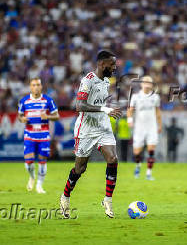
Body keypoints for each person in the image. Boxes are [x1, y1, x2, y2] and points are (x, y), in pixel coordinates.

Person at [59, 50, 122, 219]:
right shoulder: (88, 81)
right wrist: (104, 108)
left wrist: (106, 109)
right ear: (102, 64)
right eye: (112, 64)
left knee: (113, 159)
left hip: (102, 126)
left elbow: (99, 102)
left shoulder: (107, 80)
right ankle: (65, 196)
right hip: (85, 129)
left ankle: (107, 199)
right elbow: (79, 106)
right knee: (80, 169)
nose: (115, 67)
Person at [18, 78, 60, 194]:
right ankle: (32, 176)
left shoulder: (48, 100)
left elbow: (57, 116)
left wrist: (48, 117)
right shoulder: (24, 101)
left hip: (43, 135)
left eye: (38, 85)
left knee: (42, 161)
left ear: (41, 87)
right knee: (29, 162)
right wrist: (22, 119)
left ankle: (39, 185)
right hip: (29, 135)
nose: (36, 87)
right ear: (30, 87)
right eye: (33, 85)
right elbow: (19, 116)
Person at [127, 76, 162, 180]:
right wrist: (130, 120)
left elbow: (157, 112)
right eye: (145, 82)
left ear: (151, 84)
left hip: (152, 127)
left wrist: (160, 124)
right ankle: (138, 166)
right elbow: (130, 110)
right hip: (139, 128)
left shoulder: (155, 97)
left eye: (149, 82)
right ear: (141, 84)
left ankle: (148, 173)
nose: (147, 84)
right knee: (137, 152)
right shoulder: (136, 96)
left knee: (151, 150)